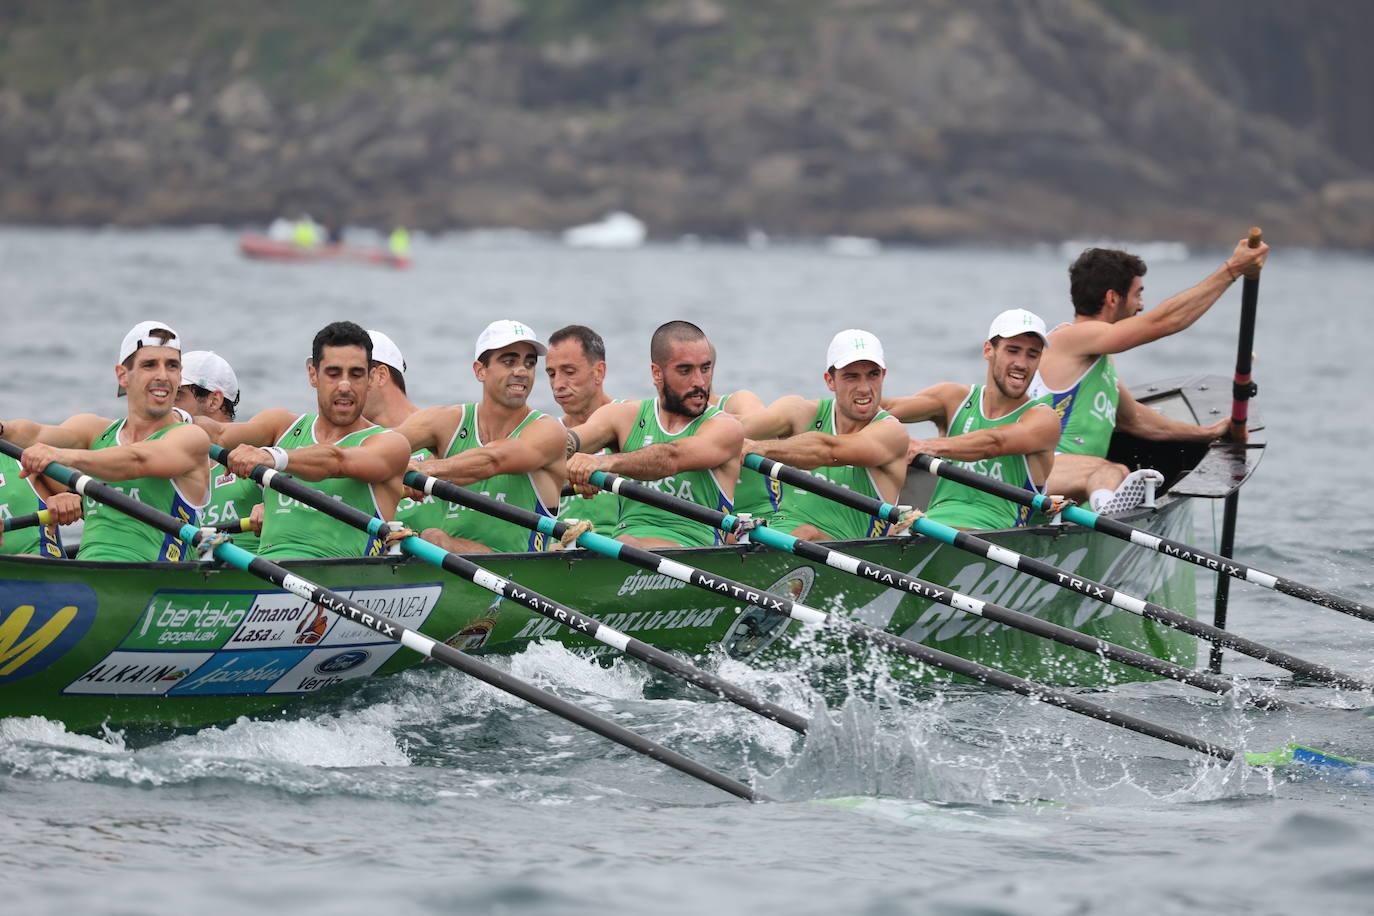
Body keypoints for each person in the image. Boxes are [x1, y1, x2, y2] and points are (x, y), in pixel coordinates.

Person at [1030, 236, 1270, 509]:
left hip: (1075, 493)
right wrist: (1232, 269)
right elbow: (1163, 322)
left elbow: (1138, 421)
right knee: (1114, 471)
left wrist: (1208, 433)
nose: (1141, 305)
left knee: (1113, 472)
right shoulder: (1070, 338)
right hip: (1043, 477)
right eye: (1138, 294)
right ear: (1112, 298)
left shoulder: (1097, 362)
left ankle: (1104, 510)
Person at [1, 321, 209, 561]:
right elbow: (34, 434)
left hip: (153, 577)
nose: (163, 376)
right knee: (27, 562)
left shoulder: (191, 438)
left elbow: (137, 460)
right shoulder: (94, 430)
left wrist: (61, 455)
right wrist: (4, 428)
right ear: (122, 375)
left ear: (179, 376)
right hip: (86, 573)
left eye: (172, 366)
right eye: (149, 365)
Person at [201, 322, 411, 560]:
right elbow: (218, 434)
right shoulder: (280, 425)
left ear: (371, 378)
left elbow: (336, 460)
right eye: (333, 374)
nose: (345, 386)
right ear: (313, 374)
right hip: (267, 571)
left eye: (356, 374)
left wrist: (272, 456)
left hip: (341, 576)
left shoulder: (390, 444)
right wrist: (178, 417)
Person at [567, 321, 742, 549]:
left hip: (695, 547)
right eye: (685, 370)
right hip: (625, 543)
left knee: (624, 543)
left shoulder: (724, 428)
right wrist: (575, 467)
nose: (699, 382)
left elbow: (671, 457)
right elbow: (566, 442)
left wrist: (601, 463)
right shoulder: (623, 416)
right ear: (657, 373)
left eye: (705, 368)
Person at [396, 320, 566, 553]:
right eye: (509, 362)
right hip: (455, 561)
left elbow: (493, 460)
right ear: (480, 370)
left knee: (432, 538)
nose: (521, 371)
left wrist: (425, 469)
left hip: (518, 567)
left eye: (529, 363)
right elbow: (381, 447)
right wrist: (391, 468)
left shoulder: (548, 431)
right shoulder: (446, 421)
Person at [884, 310, 1060, 530]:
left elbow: (994, 442)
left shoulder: (1043, 419)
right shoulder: (953, 398)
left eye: (1032, 355)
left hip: (997, 533)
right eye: (1013, 351)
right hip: (932, 523)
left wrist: (927, 446)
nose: (1022, 363)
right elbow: (887, 410)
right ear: (988, 350)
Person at [741, 330, 908, 541]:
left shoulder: (891, 433)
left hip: (849, 551)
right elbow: (737, 428)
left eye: (873, 375)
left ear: (883, 375)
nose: (864, 388)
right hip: (782, 533)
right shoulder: (800, 412)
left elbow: (828, 451)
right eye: (852, 377)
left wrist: (762, 447)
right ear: (830, 380)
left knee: (807, 533)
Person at [176, 350, 262, 552]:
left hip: (250, 567)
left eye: (178, 396)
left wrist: (272, 509)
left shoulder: (257, 457)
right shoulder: (170, 467)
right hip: (192, 566)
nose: (167, 405)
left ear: (214, 401)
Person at [545, 325, 621, 532]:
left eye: (569, 372)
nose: (557, 384)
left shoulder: (633, 420)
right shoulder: (545, 431)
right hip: (560, 544)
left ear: (599, 372)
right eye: (551, 374)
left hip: (625, 542)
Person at [712, 389, 784, 523]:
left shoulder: (740, 399)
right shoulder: (670, 423)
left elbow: (762, 424)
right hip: (707, 522)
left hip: (759, 518)